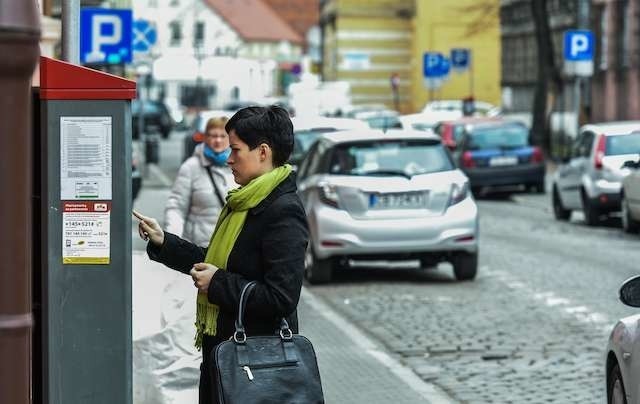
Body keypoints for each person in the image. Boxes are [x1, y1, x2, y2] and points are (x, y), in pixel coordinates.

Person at [133, 105, 309, 404]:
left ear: (263, 152)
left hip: (257, 367)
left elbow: (281, 297)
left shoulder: (283, 211)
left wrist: (218, 283)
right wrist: (165, 242)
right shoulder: (243, 203)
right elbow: (215, 263)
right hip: (229, 359)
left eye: (236, 150)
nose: (229, 159)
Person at [164, 116, 236, 247]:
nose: (218, 140)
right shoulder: (191, 167)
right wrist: (172, 242)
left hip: (230, 247)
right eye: (213, 136)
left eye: (223, 136)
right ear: (205, 137)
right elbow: (177, 207)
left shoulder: (239, 165)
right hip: (199, 247)